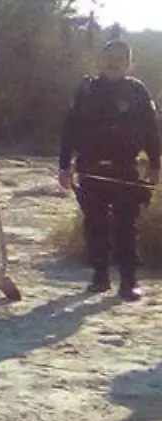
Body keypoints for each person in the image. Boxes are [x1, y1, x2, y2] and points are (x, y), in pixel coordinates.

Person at [58, 39, 160, 301]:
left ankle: (129, 281)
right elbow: (69, 129)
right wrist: (63, 166)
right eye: (109, 58)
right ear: (99, 61)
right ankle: (100, 276)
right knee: (94, 225)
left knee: (126, 226)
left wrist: (155, 163)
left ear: (129, 64)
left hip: (125, 170)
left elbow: (151, 130)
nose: (113, 63)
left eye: (120, 59)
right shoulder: (85, 90)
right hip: (90, 169)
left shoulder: (137, 91)